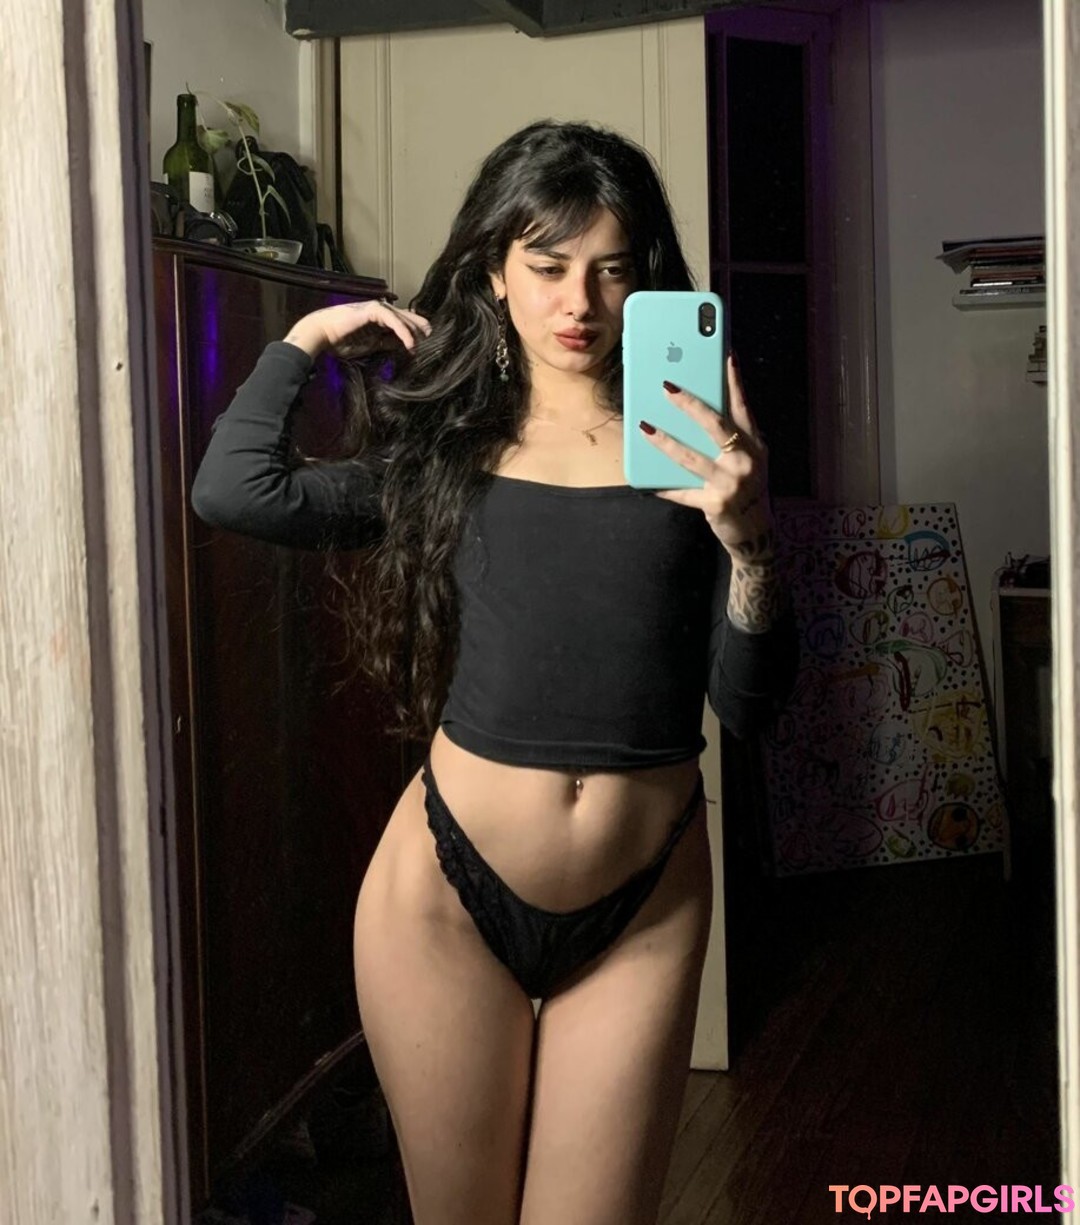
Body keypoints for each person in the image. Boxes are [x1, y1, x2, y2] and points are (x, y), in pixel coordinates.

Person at [191, 119, 797, 1225]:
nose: (580, 302)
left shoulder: (700, 455)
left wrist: (751, 541)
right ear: (493, 274)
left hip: (644, 905)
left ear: (645, 283)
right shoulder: (444, 452)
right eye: (548, 266)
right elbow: (235, 490)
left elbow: (749, 707)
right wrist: (309, 334)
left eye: (611, 270)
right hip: (445, 901)